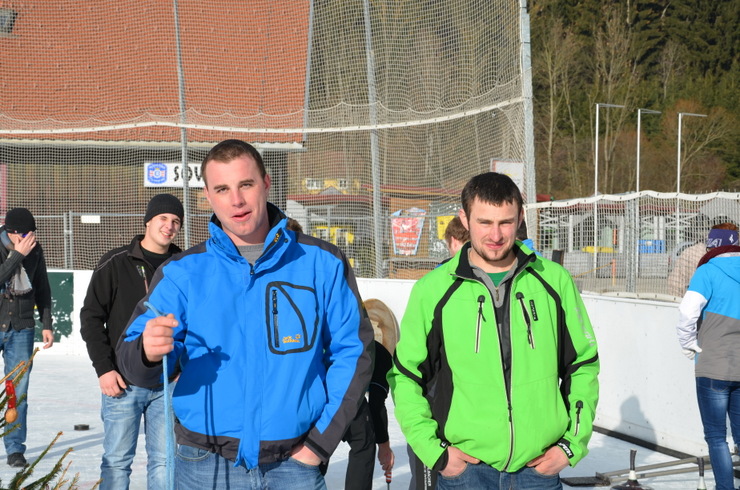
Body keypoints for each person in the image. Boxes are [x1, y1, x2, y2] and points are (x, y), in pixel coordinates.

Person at [116, 139, 374, 489]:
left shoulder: (322, 262)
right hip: (204, 468)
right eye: (222, 189)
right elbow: (132, 357)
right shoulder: (182, 272)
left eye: (246, 185)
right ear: (207, 196)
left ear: (266, 183)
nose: (236, 200)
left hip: (295, 466)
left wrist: (318, 445)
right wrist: (147, 351)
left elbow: (353, 351)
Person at [388, 172, 600, 489]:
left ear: (520, 218)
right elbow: (406, 375)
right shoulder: (433, 290)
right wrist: (435, 452)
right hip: (466, 472)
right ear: (464, 218)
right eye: (485, 222)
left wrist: (571, 445)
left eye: (506, 222)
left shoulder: (554, 281)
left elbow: (583, 364)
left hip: (538, 470)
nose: (496, 235)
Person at [80, 193, 184, 489]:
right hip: (122, 382)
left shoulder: (183, 265)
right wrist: (104, 369)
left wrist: (184, 367)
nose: (169, 226)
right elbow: (91, 318)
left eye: (176, 221)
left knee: (165, 460)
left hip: (167, 382)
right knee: (117, 461)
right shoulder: (116, 262)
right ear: (148, 221)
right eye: (163, 218)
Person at [676, 225, 740, 490]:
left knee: (716, 437)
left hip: (713, 365)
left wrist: (688, 343)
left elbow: (687, 312)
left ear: (712, 245)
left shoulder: (707, 271)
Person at [0, 207, 54, 468]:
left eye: (32, 234)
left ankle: (14, 449)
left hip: (21, 328)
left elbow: (42, 287)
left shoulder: (36, 251)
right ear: (11, 233)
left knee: (17, 391)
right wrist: (16, 256)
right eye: (24, 235)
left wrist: (47, 323)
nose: (29, 239)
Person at [666, 218, 719, 298]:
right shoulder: (694, 252)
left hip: (695, 300)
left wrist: (680, 302)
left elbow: (675, 284)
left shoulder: (691, 251)